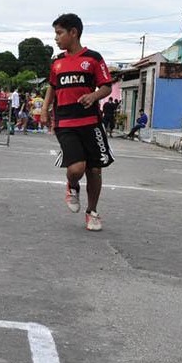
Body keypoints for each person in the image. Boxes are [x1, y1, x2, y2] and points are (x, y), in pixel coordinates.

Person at [42, 13, 113, 232]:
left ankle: (92, 211)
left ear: (74, 33)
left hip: (91, 123)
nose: (56, 38)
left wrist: (93, 96)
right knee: (76, 168)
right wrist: (44, 109)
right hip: (65, 122)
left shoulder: (93, 58)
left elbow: (107, 86)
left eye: (59, 33)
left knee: (95, 170)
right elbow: (52, 88)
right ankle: (72, 186)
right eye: (55, 33)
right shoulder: (57, 63)